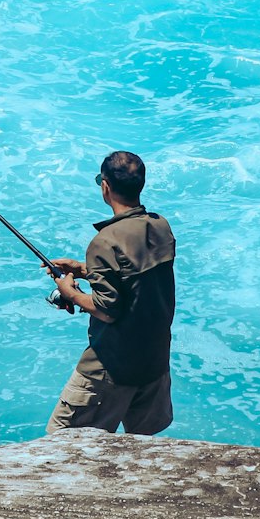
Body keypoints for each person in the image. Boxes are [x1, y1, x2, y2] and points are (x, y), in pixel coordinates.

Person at [47, 150, 175, 436]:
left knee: (60, 442)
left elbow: (107, 308)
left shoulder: (104, 242)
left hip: (109, 369)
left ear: (105, 186)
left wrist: (70, 293)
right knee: (139, 446)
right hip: (153, 363)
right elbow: (135, 278)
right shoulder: (160, 227)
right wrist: (84, 268)